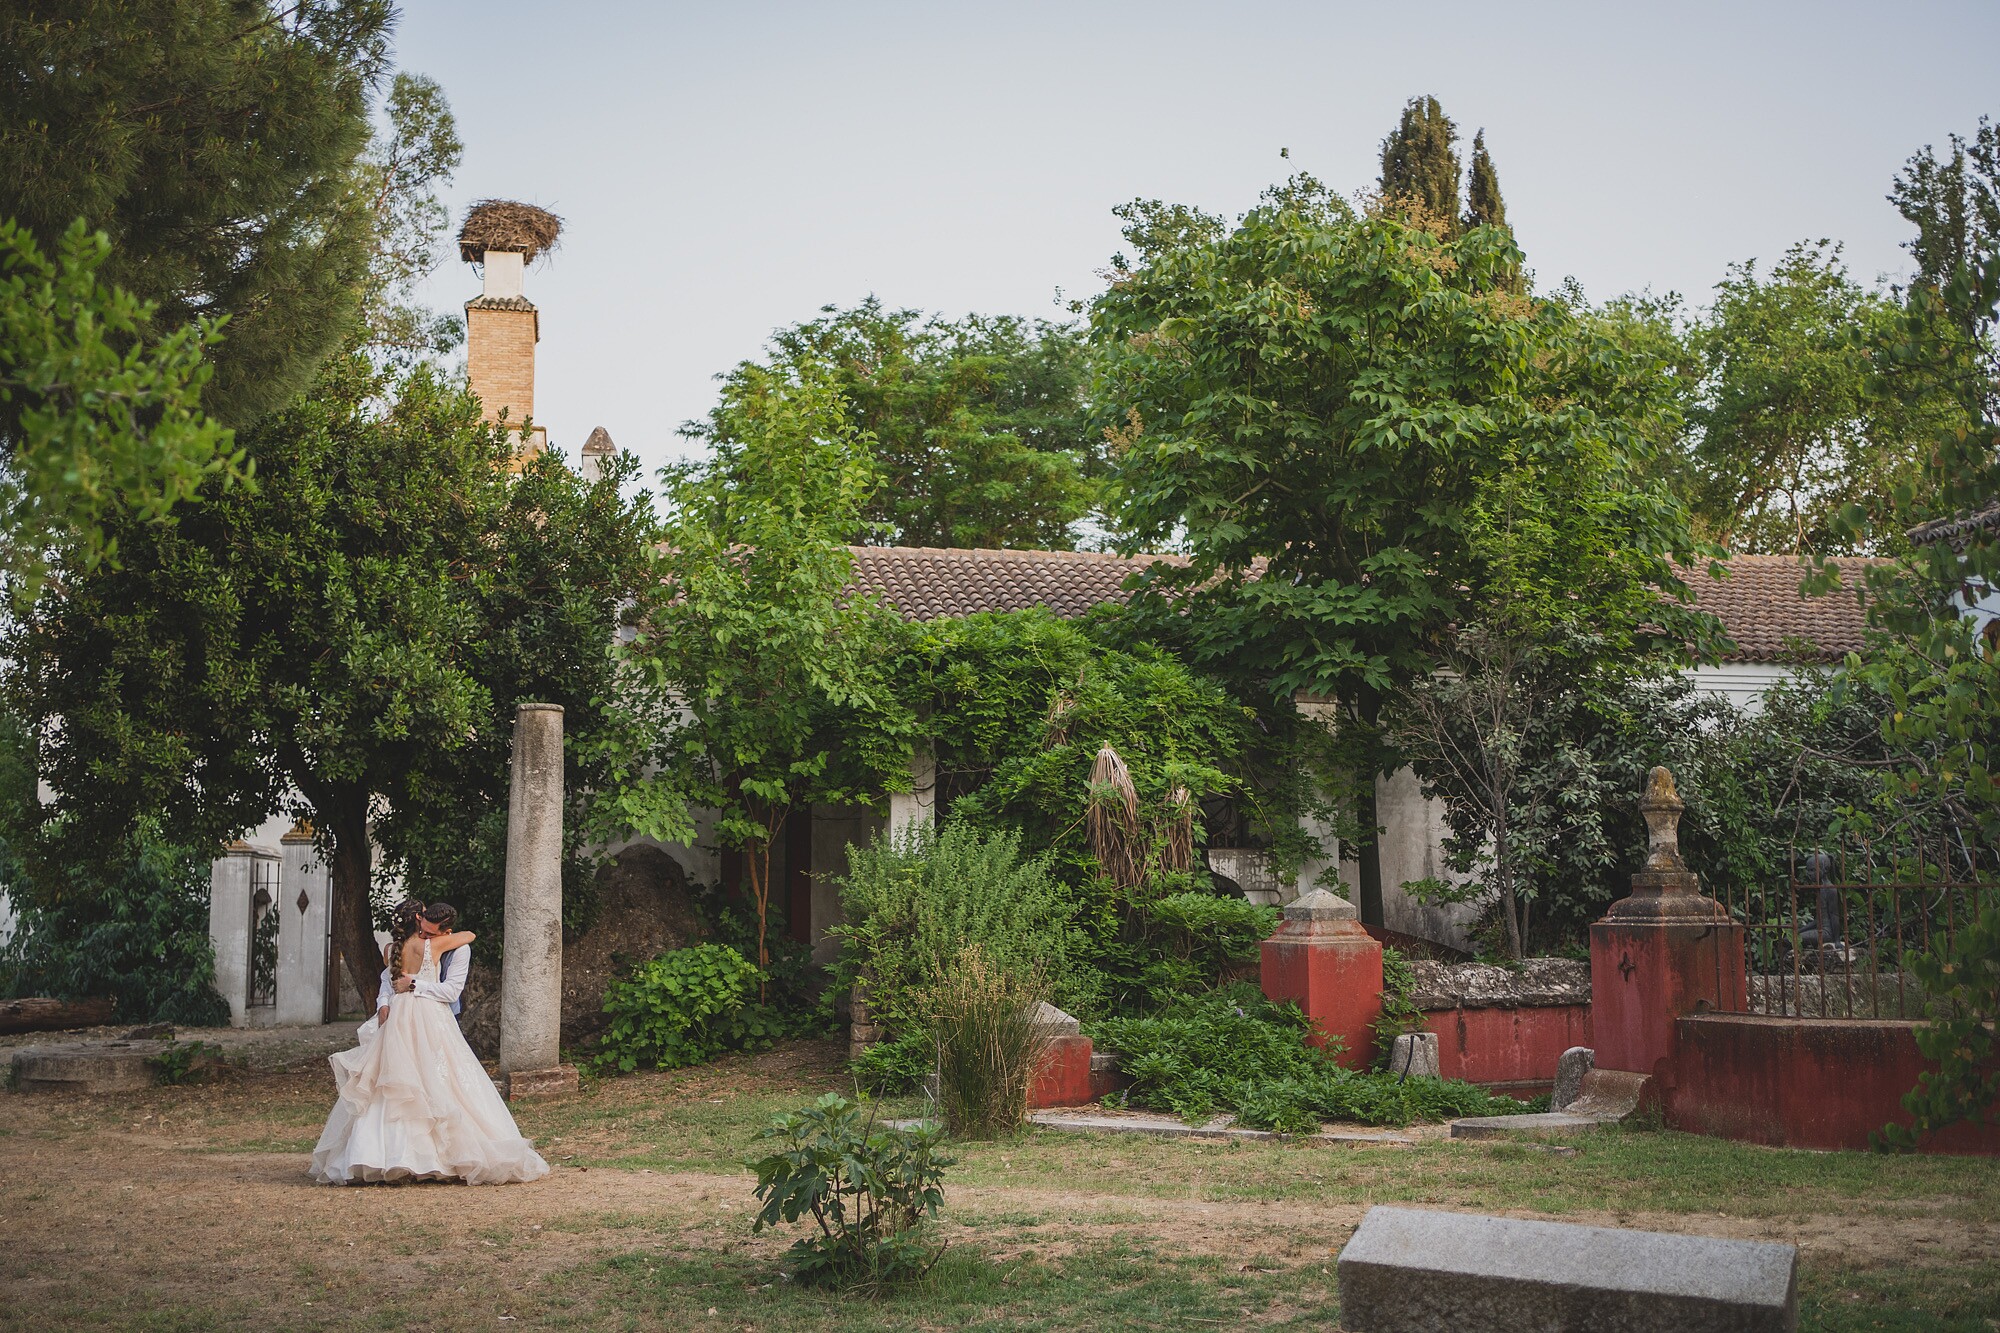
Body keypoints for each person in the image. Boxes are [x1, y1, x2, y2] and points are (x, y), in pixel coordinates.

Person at [309, 899, 550, 1186]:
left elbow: (403, 978)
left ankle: (382, 1154)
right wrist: (387, 998)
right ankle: (432, 1155)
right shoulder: (433, 947)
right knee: (433, 1075)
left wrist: (403, 988)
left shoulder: (392, 949)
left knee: (394, 1081)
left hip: (401, 1015)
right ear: (420, 919)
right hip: (426, 1013)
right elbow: (467, 937)